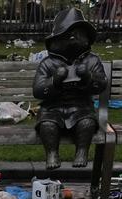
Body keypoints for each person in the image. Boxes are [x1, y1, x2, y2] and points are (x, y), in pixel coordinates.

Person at [32, 8, 108, 170]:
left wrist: (88, 77)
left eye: (78, 34)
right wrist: (54, 81)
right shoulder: (47, 63)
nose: (73, 39)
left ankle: (82, 151)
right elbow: (38, 90)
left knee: (87, 123)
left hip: (81, 107)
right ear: (56, 40)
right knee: (47, 125)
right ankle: (52, 153)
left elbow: (101, 84)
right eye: (67, 35)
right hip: (52, 108)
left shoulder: (92, 61)